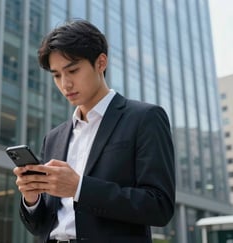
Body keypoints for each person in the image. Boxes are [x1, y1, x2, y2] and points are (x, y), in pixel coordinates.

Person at [13, 19, 175, 243]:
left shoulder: (144, 118)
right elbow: (41, 225)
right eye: (57, 75)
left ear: (101, 63)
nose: (65, 84)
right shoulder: (54, 137)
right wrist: (31, 200)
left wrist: (79, 187)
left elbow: (159, 206)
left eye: (73, 70)